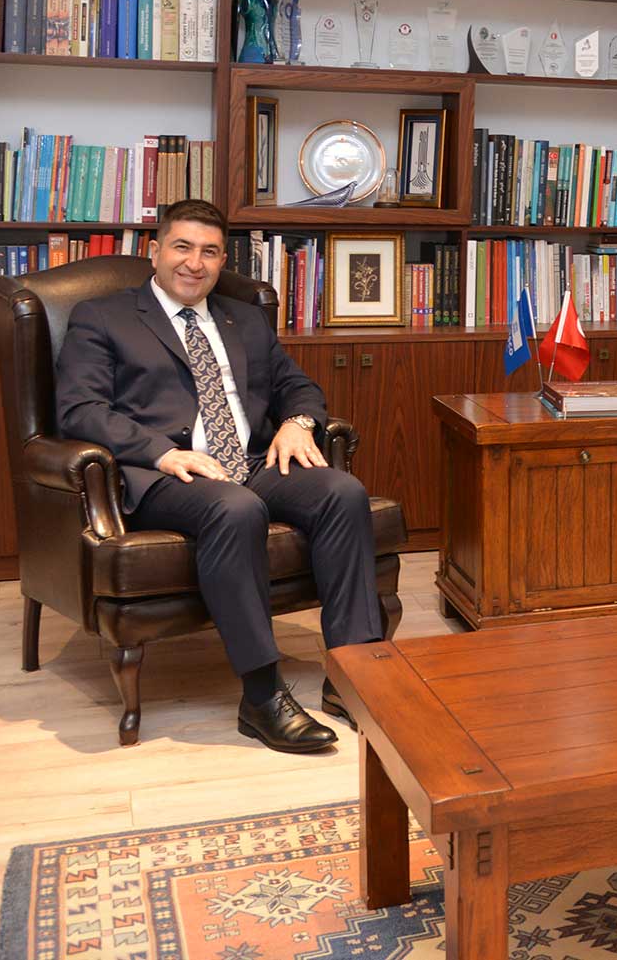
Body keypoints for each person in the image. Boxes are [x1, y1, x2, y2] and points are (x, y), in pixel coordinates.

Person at [54, 199, 382, 754]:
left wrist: (298, 423)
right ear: (155, 251)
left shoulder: (244, 318)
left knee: (343, 493)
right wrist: (161, 452)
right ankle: (262, 694)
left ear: (222, 260)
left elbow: (297, 387)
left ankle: (353, 675)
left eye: (209, 252)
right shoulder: (103, 316)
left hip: (251, 463)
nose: (194, 263)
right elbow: (80, 410)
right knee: (235, 507)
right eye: (182, 247)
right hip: (168, 474)